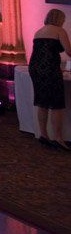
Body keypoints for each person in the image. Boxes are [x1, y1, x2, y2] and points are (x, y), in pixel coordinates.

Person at [30, 9, 71, 150]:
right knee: (56, 104)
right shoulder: (59, 31)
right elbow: (69, 51)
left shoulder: (39, 32)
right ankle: (58, 138)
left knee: (42, 102)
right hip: (50, 70)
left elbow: (42, 53)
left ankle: (43, 135)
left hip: (35, 68)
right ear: (59, 19)